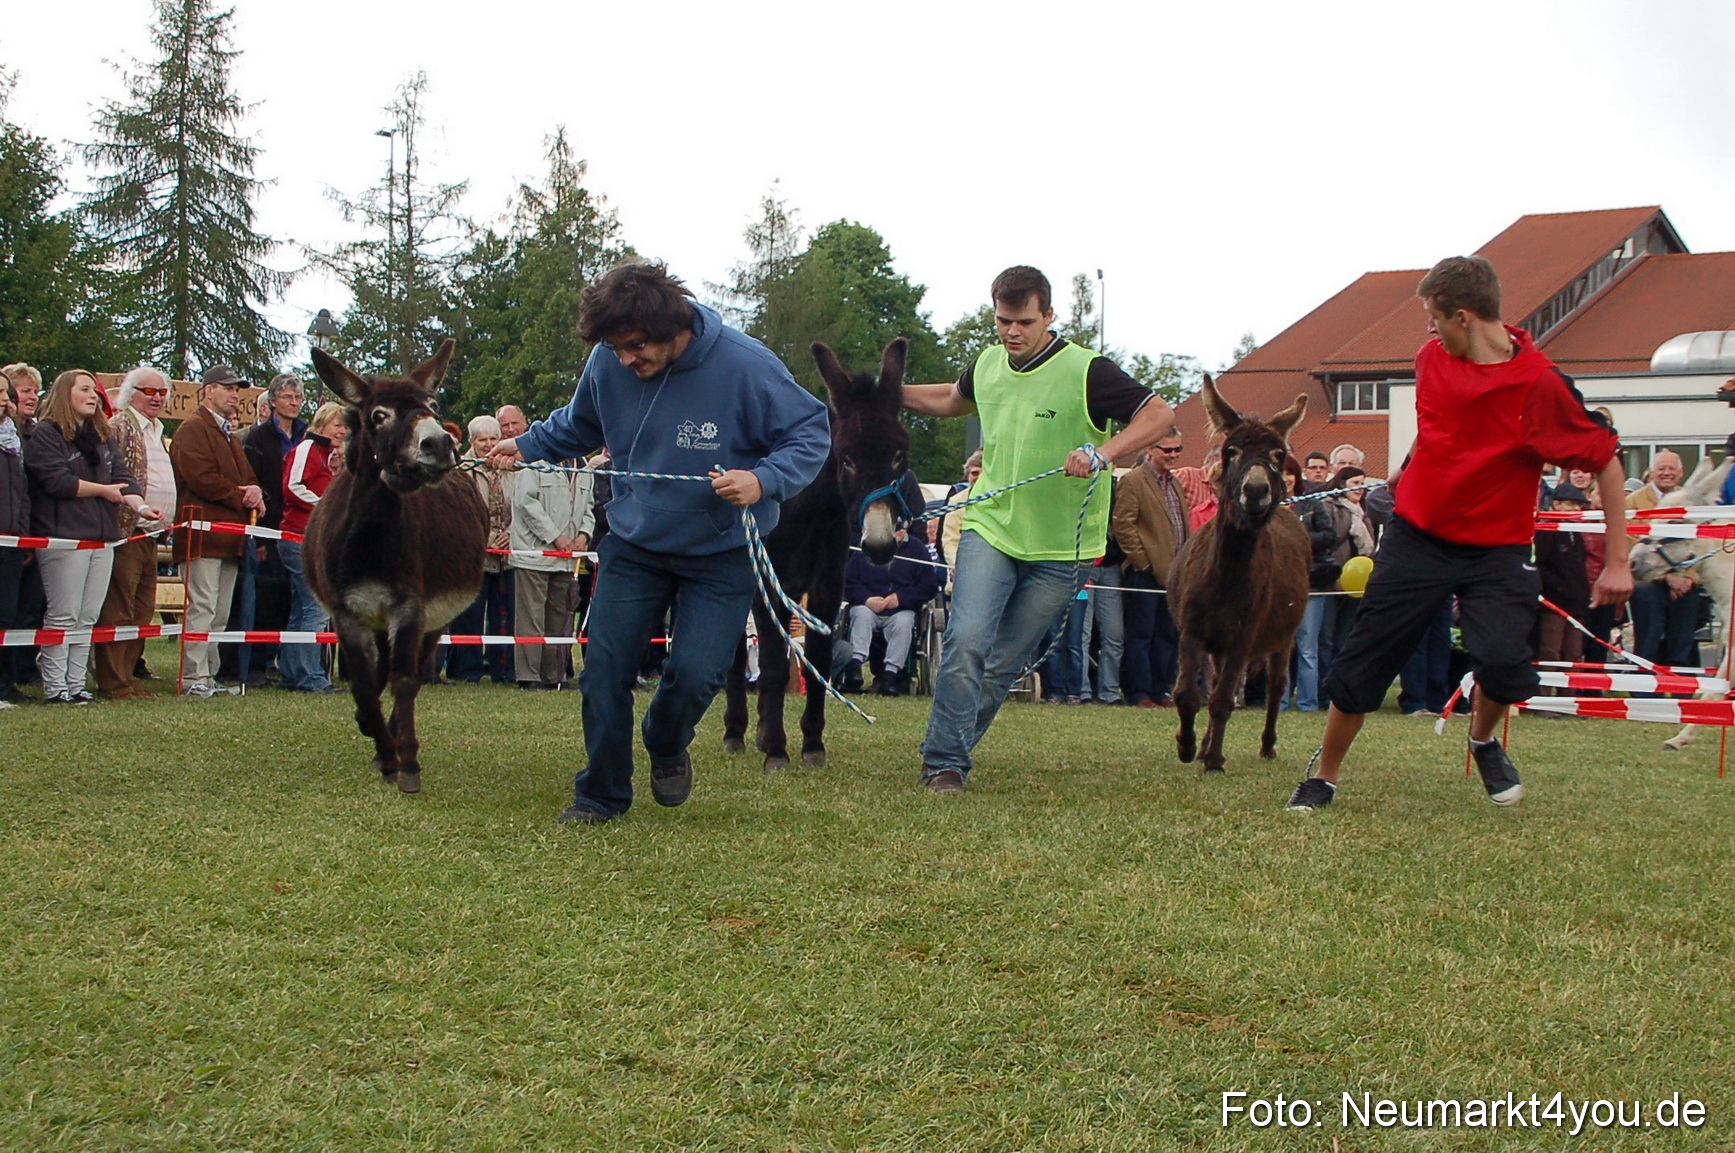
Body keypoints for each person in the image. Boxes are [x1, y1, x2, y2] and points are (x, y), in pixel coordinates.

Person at [1286, 255, 1632, 812]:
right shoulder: (1432, 359)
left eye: (1433, 316)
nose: (1429, 328)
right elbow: (1437, 424)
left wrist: (1618, 562)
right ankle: (1323, 775)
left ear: (1464, 316)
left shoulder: (1539, 386)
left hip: (1495, 549)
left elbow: (1608, 463)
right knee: (1364, 665)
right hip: (1418, 538)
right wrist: (1405, 469)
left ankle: (1482, 740)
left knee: (1502, 661)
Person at [489, 261, 829, 823]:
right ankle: (600, 794)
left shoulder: (747, 365)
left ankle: (666, 739)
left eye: (635, 347)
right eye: (616, 348)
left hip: (721, 554)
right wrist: (527, 444)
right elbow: (580, 423)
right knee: (603, 667)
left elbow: (811, 431)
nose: (624, 360)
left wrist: (763, 479)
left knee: (696, 675)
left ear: (676, 329)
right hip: (634, 543)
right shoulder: (608, 360)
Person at [900, 265, 1175, 793]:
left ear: (1049, 316)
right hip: (992, 525)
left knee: (1004, 662)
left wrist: (1104, 453)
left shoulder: (1087, 370)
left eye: (1023, 321)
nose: (1011, 332)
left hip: (1062, 547)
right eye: (1003, 320)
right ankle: (945, 762)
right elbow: (949, 400)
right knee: (967, 642)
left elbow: (1159, 415)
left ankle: (945, 748)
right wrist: (885, 390)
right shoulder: (988, 364)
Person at [23, 370, 161, 704]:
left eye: (95, 391)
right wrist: (104, 491)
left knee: (87, 615)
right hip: (64, 536)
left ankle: (75, 685)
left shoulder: (101, 435)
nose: (93, 396)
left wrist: (141, 508)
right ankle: (55, 686)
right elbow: (56, 481)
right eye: (84, 390)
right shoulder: (46, 434)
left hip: (103, 537)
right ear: (63, 395)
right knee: (63, 613)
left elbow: (123, 476)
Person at [170, 364, 265, 697]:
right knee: (202, 607)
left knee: (220, 612)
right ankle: (193, 676)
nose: (234, 395)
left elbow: (247, 475)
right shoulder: (192, 429)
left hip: (228, 537)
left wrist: (254, 492)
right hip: (201, 535)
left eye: (237, 390)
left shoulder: (227, 433)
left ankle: (208, 675)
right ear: (208, 390)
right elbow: (201, 477)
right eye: (228, 388)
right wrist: (242, 494)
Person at [92, 368, 177, 700]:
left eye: (162, 392)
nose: (156, 397)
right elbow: (115, 473)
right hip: (127, 531)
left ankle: (127, 677)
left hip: (152, 536)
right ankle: (113, 682)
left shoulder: (157, 430)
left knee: (142, 611)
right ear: (131, 393)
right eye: (148, 391)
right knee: (119, 608)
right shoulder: (119, 426)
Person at [1115, 436, 1190, 708]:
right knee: (1141, 635)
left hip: (1174, 575)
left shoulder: (1176, 483)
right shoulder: (1133, 481)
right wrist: (1142, 562)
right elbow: (1123, 524)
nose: (1173, 455)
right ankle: (1140, 692)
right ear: (1150, 449)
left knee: (1168, 635)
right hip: (1145, 574)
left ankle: (1162, 690)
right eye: (1167, 449)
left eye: (1177, 449)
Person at [277, 402, 347, 693]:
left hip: (309, 537)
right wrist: (325, 508)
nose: (342, 430)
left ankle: (294, 673)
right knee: (315, 608)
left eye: (346, 426)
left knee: (301, 610)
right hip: (300, 537)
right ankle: (311, 677)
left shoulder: (325, 455)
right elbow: (292, 485)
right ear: (321, 425)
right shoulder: (308, 448)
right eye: (337, 424)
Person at [509, 452, 593, 691]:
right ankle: (529, 676)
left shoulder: (585, 466)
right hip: (533, 554)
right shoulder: (534, 461)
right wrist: (555, 537)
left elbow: (588, 507)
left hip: (567, 558)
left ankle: (554, 676)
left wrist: (583, 535)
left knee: (560, 617)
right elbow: (525, 502)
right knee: (531, 618)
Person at [447, 415, 515, 684]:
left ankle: (502, 669)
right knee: (469, 615)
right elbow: (457, 511)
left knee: (504, 614)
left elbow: (521, 503)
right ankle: (467, 670)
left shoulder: (513, 466)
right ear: (472, 441)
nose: (488, 445)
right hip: (472, 554)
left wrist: (509, 534)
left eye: (493, 439)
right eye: (482, 439)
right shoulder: (461, 470)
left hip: (508, 554)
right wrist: (486, 538)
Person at [842, 523, 942, 695]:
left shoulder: (917, 550)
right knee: (861, 614)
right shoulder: (866, 546)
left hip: (900, 608)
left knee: (904, 622)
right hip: (869, 605)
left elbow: (929, 586)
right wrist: (866, 599)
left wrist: (901, 598)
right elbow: (848, 582)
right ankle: (854, 667)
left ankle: (890, 675)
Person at [1626, 450, 1703, 668]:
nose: (1667, 473)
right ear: (1651, 473)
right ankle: (1645, 685)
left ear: (1681, 473)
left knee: (1683, 637)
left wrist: (1686, 577)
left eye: (1672, 469)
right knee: (1649, 633)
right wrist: (1668, 578)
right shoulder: (1633, 502)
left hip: (1685, 581)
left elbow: (1698, 544)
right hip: (1647, 580)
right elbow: (1630, 544)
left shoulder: (1690, 504)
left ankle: (1682, 686)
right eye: (1661, 469)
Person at [1535, 481, 1592, 682]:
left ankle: (1569, 697)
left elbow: (1580, 567)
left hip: (1576, 604)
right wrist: (1559, 588)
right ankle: (1544, 700)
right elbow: (1540, 565)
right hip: (1554, 604)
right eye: (1571, 504)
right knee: (1551, 651)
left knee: (1574, 654)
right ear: (1556, 505)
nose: (1576, 510)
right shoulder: (1545, 531)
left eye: (1579, 506)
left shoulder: (1574, 532)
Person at [0, 378, 29, 706]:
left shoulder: (13, 437)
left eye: (5, 394)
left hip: (11, 539)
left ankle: (5, 682)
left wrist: (23, 532)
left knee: (6, 614)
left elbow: (22, 491)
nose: (2, 400)